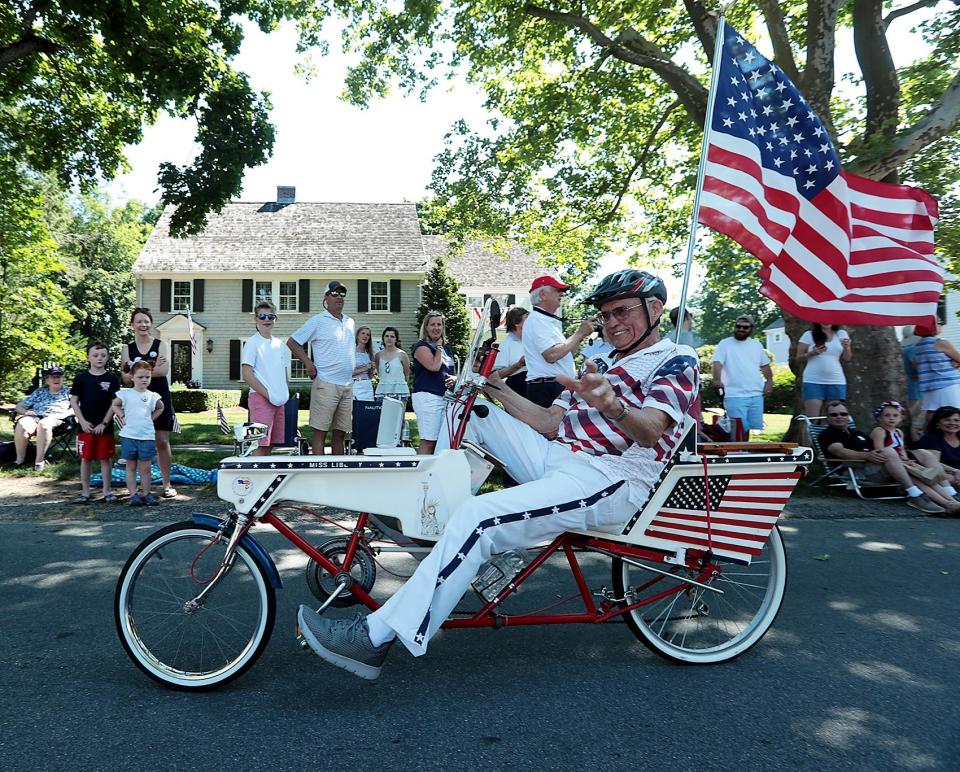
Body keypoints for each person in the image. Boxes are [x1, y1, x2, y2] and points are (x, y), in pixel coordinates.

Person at [296, 268, 699, 680]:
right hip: (560, 456)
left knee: (480, 519)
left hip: (611, 479)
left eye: (622, 312)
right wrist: (493, 388)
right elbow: (546, 422)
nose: (612, 323)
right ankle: (438, 517)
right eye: (606, 314)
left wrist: (614, 406)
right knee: (473, 411)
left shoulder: (675, 360)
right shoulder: (603, 361)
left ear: (654, 309)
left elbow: (650, 432)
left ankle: (374, 637)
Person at [819, 400, 956, 515]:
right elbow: (840, 452)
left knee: (924, 454)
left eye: (843, 413)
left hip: (882, 465)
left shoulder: (856, 432)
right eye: (834, 414)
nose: (839, 417)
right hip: (859, 470)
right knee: (891, 454)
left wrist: (904, 458)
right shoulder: (829, 434)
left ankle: (951, 499)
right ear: (827, 417)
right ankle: (916, 495)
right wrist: (868, 455)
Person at [288, 280, 356, 455]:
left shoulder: (350, 322)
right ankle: (318, 473)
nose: (339, 297)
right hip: (326, 383)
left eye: (342, 294)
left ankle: (337, 474)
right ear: (326, 297)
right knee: (320, 433)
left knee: (341, 434)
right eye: (334, 293)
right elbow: (293, 342)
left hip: (347, 385)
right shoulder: (317, 321)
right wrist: (308, 363)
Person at [124, 308, 177, 497]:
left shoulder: (161, 344)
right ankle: (140, 485)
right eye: (138, 321)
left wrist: (136, 372)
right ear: (132, 325)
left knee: (162, 441)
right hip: (137, 400)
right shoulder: (127, 349)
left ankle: (166, 484)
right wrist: (151, 368)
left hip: (160, 395)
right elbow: (124, 377)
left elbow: (163, 371)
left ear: (151, 324)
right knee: (139, 441)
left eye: (146, 321)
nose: (143, 325)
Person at [522, 275, 595, 407]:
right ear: (543, 294)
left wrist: (582, 334)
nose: (562, 294)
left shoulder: (544, 320)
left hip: (551, 385)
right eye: (557, 290)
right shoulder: (538, 320)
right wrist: (579, 333)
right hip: (548, 387)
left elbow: (567, 353)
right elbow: (551, 355)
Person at [70, 341, 121, 502]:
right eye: (95, 355)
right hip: (85, 428)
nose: (99, 358)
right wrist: (82, 421)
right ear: (88, 357)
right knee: (86, 459)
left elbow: (115, 403)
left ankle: (107, 492)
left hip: (104, 428)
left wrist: (105, 423)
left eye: (103, 355)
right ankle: (85, 492)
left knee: (105, 459)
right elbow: (73, 402)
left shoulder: (112, 379)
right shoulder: (81, 379)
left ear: (107, 357)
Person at [112, 361, 165, 507]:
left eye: (147, 377)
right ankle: (133, 495)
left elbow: (161, 407)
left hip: (146, 436)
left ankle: (146, 493)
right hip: (129, 436)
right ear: (132, 377)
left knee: (146, 467)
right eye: (141, 377)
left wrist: (150, 418)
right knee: (130, 466)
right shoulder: (125, 394)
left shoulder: (153, 396)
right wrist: (122, 415)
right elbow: (115, 404)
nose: (144, 380)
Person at [711, 315, 773, 439]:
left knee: (750, 428)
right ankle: (737, 454)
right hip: (734, 394)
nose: (741, 329)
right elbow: (717, 363)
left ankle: (745, 453)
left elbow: (765, 365)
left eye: (745, 327)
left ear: (751, 329)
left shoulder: (756, 345)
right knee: (738, 429)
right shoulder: (725, 344)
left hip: (756, 394)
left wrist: (769, 382)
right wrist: (717, 380)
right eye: (738, 326)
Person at [241, 301, 291, 457]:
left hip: (279, 400)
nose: (266, 320)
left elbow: (283, 374)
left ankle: (265, 478)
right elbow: (247, 374)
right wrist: (268, 395)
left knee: (271, 443)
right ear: (256, 319)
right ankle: (255, 478)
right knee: (259, 443)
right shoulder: (252, 343)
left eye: (270, 316)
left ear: (275, 319)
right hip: (260, 399)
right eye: (262, 316)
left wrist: (283, 394)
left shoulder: (280, 345)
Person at [411, 311, 457, 455]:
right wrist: (438, 349)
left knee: (441, 441)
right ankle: (419, 476)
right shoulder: (421, 347)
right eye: (432, 325)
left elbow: (453, 372)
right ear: (426, 327)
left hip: (444, 398)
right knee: (429, 440)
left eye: (439, 324)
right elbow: (434, 366)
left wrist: (455, 379)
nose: (436, 328)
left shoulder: (447, 350)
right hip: (427, 397)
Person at [12, 366, 73, 471]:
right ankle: (19, 461)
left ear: (63, 379)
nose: (56, 379)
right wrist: (26, 412)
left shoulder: (69, 392)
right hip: (36, 416)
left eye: (58, 376)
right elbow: (19, 406)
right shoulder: (39, 392)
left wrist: (64, 414)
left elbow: (77, 407)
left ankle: (39, 462)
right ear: (47, 380)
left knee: (44, 424)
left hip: (58, 418)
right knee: (22, 423)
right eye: (53, 377)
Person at [796, 322, 852, 418]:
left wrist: (847, 347)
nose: (826, 321)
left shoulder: (840, 334)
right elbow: (798, 358)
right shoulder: (808, 335)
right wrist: (812, 353)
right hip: (813, 381)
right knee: (813, 419)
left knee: (835, 417)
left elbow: (847, 358)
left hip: (836, 380)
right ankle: (812, 433)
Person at [913, 321, 960, 416]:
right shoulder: (941, 342)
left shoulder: (918, 346)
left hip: (928, 386)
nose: (941, 324)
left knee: (933, 417)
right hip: (947, 385)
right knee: (954, 415)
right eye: (939, 322)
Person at [915, 406, 960, 488]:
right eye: (947, 420)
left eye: (956, 420)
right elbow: (934, 463)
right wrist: (956, 471)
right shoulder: (932, 438)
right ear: (938, 423)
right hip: (942, 475)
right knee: (950, 478)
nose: (952, 423)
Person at [494, 306, 529, 397]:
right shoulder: (506, 344)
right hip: (518, 388)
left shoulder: (532, 341)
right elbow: (497, 375)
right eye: (527, 317)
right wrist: (518, 365)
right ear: (516, 323)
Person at [374, 327, 411, 401]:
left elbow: (407, 375)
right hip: (383, 391)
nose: (389, 338)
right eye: (387, 336)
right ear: (383, 338)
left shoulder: (402, 354)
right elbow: (379, 373)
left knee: (399, 413)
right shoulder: (378, 356)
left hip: (399, 391)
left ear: (396, 339)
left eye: (392, 336)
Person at [900, 325, 924, 442]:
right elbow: (919, 367)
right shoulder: (914, 349)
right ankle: (918, 445)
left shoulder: (905, 349)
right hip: (918, 391)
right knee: (919, 421)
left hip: (912, 390)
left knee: (917, 419)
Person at [352, 327, 376, 402]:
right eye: (363, 333)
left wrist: (372, 370)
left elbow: (370, 376)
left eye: (368, 335)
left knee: (367, 410)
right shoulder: (351, 351)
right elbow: (347, 373)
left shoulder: (369, 353)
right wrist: (364, 368)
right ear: (357, 336)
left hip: (367, 385)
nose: (365, 336)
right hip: (355, 384)